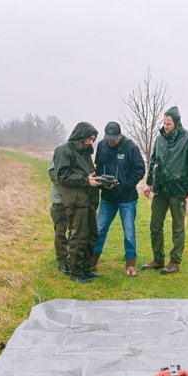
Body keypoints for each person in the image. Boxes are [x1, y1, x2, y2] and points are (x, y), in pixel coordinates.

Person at [142, 106, 188, 274]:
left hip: (179, 189)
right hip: (160, 188)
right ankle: (158, 259)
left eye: (168, 123)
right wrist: (148, 183)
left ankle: (175, 261)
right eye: (164, 123)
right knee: (155, 225)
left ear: (176, 123)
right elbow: (153, 161)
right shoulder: (159, 138)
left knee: (177, 227)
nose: (165, 126)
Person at [92, 121, 146, 277]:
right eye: (108, 138)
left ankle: (130, 264)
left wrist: (124, 185)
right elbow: (98, 168)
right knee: (99, 228)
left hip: (127, 198)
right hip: (108, 198)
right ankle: (93, 261)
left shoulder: (131, 147)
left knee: (129, 231)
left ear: (120, 135)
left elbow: (140, 170)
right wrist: (103, 184)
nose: (110, 141)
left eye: (113, 138)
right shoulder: (102, 146)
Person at [53, 121, 101, 283]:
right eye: (89, 138)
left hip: (89, 201)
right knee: (78, 237)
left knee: (91, 236)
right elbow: (62, 176)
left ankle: (86, 269)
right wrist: (85, 180)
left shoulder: (85, 153)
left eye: (93, 139)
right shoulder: (64, 151)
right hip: (76, 201)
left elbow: (87, 175)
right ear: (80, 136)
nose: (91, 142)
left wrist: (97, 179)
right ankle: (76, 271)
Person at [48, 157, 69, 276]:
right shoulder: (60, 155)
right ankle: (62, 261)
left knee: (74, 232)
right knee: (60, 233)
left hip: (74, 202)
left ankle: (72, 259)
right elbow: (52, 173)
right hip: (59, 202)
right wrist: (68, 182)